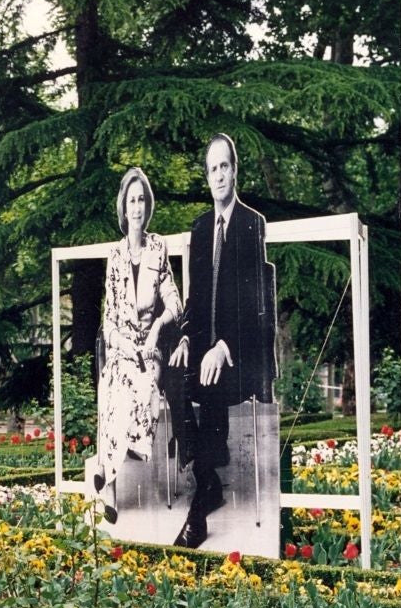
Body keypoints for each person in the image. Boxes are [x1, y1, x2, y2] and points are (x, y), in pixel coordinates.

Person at [169, 133, 276, 549]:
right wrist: (183, 339)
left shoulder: (252, 224)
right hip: (203, 346)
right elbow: (195, 300)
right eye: (211, 168)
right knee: (173, 375)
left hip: (239, 353)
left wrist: (223, 346)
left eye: (224, 166)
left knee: (211, 387)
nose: (218, 175)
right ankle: (208, 477)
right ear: (207, 176)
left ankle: (198, 515)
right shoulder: (199, 228)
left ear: (235, 171)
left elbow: (254, 304)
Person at [94, 166, 189, 523]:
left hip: (150, 353)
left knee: (142, 385)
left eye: (141, 200)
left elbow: (174, 303)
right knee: (112, 389)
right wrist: (124, 346)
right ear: (123, 207)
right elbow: (109, 321)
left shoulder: (158, 247)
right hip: (122, 350)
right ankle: (111, 492)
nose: (136, 207)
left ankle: (111, 464)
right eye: (131, 200)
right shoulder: (115, 257)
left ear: (148, 206)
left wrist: (154, 333)